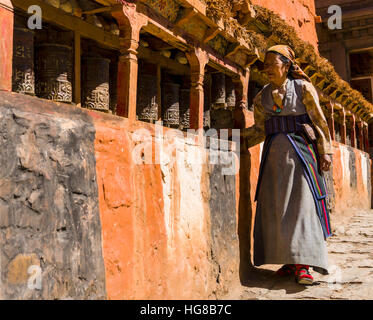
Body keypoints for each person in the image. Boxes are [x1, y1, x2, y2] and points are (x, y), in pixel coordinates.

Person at [242, 45, 333, 285]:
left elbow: (319, 122)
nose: (268, 68)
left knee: (302, 207)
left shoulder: (303, 88)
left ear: (287, 65)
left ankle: (305, 264)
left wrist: (326, 152)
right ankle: (289, 259)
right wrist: (235, 140)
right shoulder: (261, 96)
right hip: (273, 160)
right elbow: (260, 129)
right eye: (266, 64)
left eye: (273, 63)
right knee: (278, 208)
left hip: (302, 155)